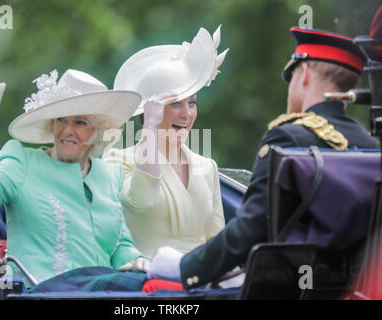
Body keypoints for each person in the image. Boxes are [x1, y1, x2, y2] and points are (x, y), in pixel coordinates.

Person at [147, 27, 380, 289]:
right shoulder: (371, 146)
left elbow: (251, 229)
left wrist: (185, 267)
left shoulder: (288, 137)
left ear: (303, 75)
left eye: (290, 78)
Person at [0, 64, 150, 287]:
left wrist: (137, 260)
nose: (67, 129)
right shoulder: (22, 161)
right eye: (61, 119)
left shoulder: (110, 174)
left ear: (98, 130)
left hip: (102, 288)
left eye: (80, 122)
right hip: (42, 288)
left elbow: (119, 245)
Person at [102, 26, 229, 257]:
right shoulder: (117, 159)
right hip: (142, 280)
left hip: (199, 283)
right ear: (150, 110)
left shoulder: (207, 167)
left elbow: (218, 242)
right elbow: (144, 201)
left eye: (192, 102)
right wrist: (150, 127)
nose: (187, 114)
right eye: (175, 104)